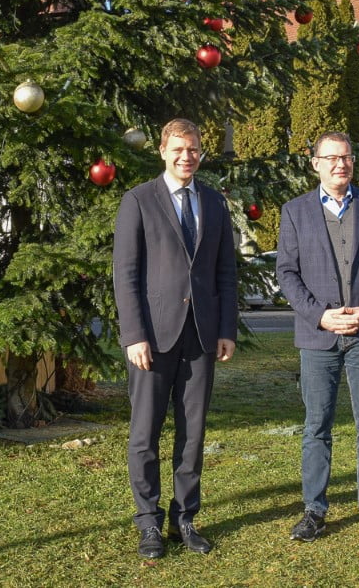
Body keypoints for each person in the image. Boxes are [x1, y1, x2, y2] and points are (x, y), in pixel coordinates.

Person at [112, 118, 239, 559]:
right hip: (152, 338)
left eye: (195, 149)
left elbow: (225, 271)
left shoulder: (214, 203)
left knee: (193, 434)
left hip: (201, 337)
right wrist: (134, 335)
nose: (187, 157)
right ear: (163, 151)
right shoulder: (139, 200)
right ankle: (148, 522)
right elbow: (125, 274)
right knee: (145, 433)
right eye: (179, 149)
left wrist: (226, 329)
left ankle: (184, 517)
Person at [276, 131, 359, 545]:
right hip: (318, 338)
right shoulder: (294, 212)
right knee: (317, 425)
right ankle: (314, 509)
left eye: (346, 157)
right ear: (315, 164)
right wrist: (320, 316)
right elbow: (287, 274)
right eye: (330, 158)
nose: (340, 165)